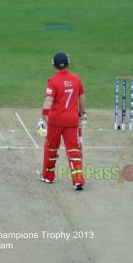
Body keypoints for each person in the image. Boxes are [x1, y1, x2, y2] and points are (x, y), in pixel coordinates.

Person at [36, 53, 87, 190]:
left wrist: (43, 118)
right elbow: (81, 97)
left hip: (56, 121)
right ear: (68, 64)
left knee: (51, 148)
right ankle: (78, 180)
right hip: (72, 120)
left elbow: (48, 101)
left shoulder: (53, 81)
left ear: (54, 65)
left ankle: (48, 176)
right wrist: (82, 114)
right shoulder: (76, 79)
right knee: (73, 150)